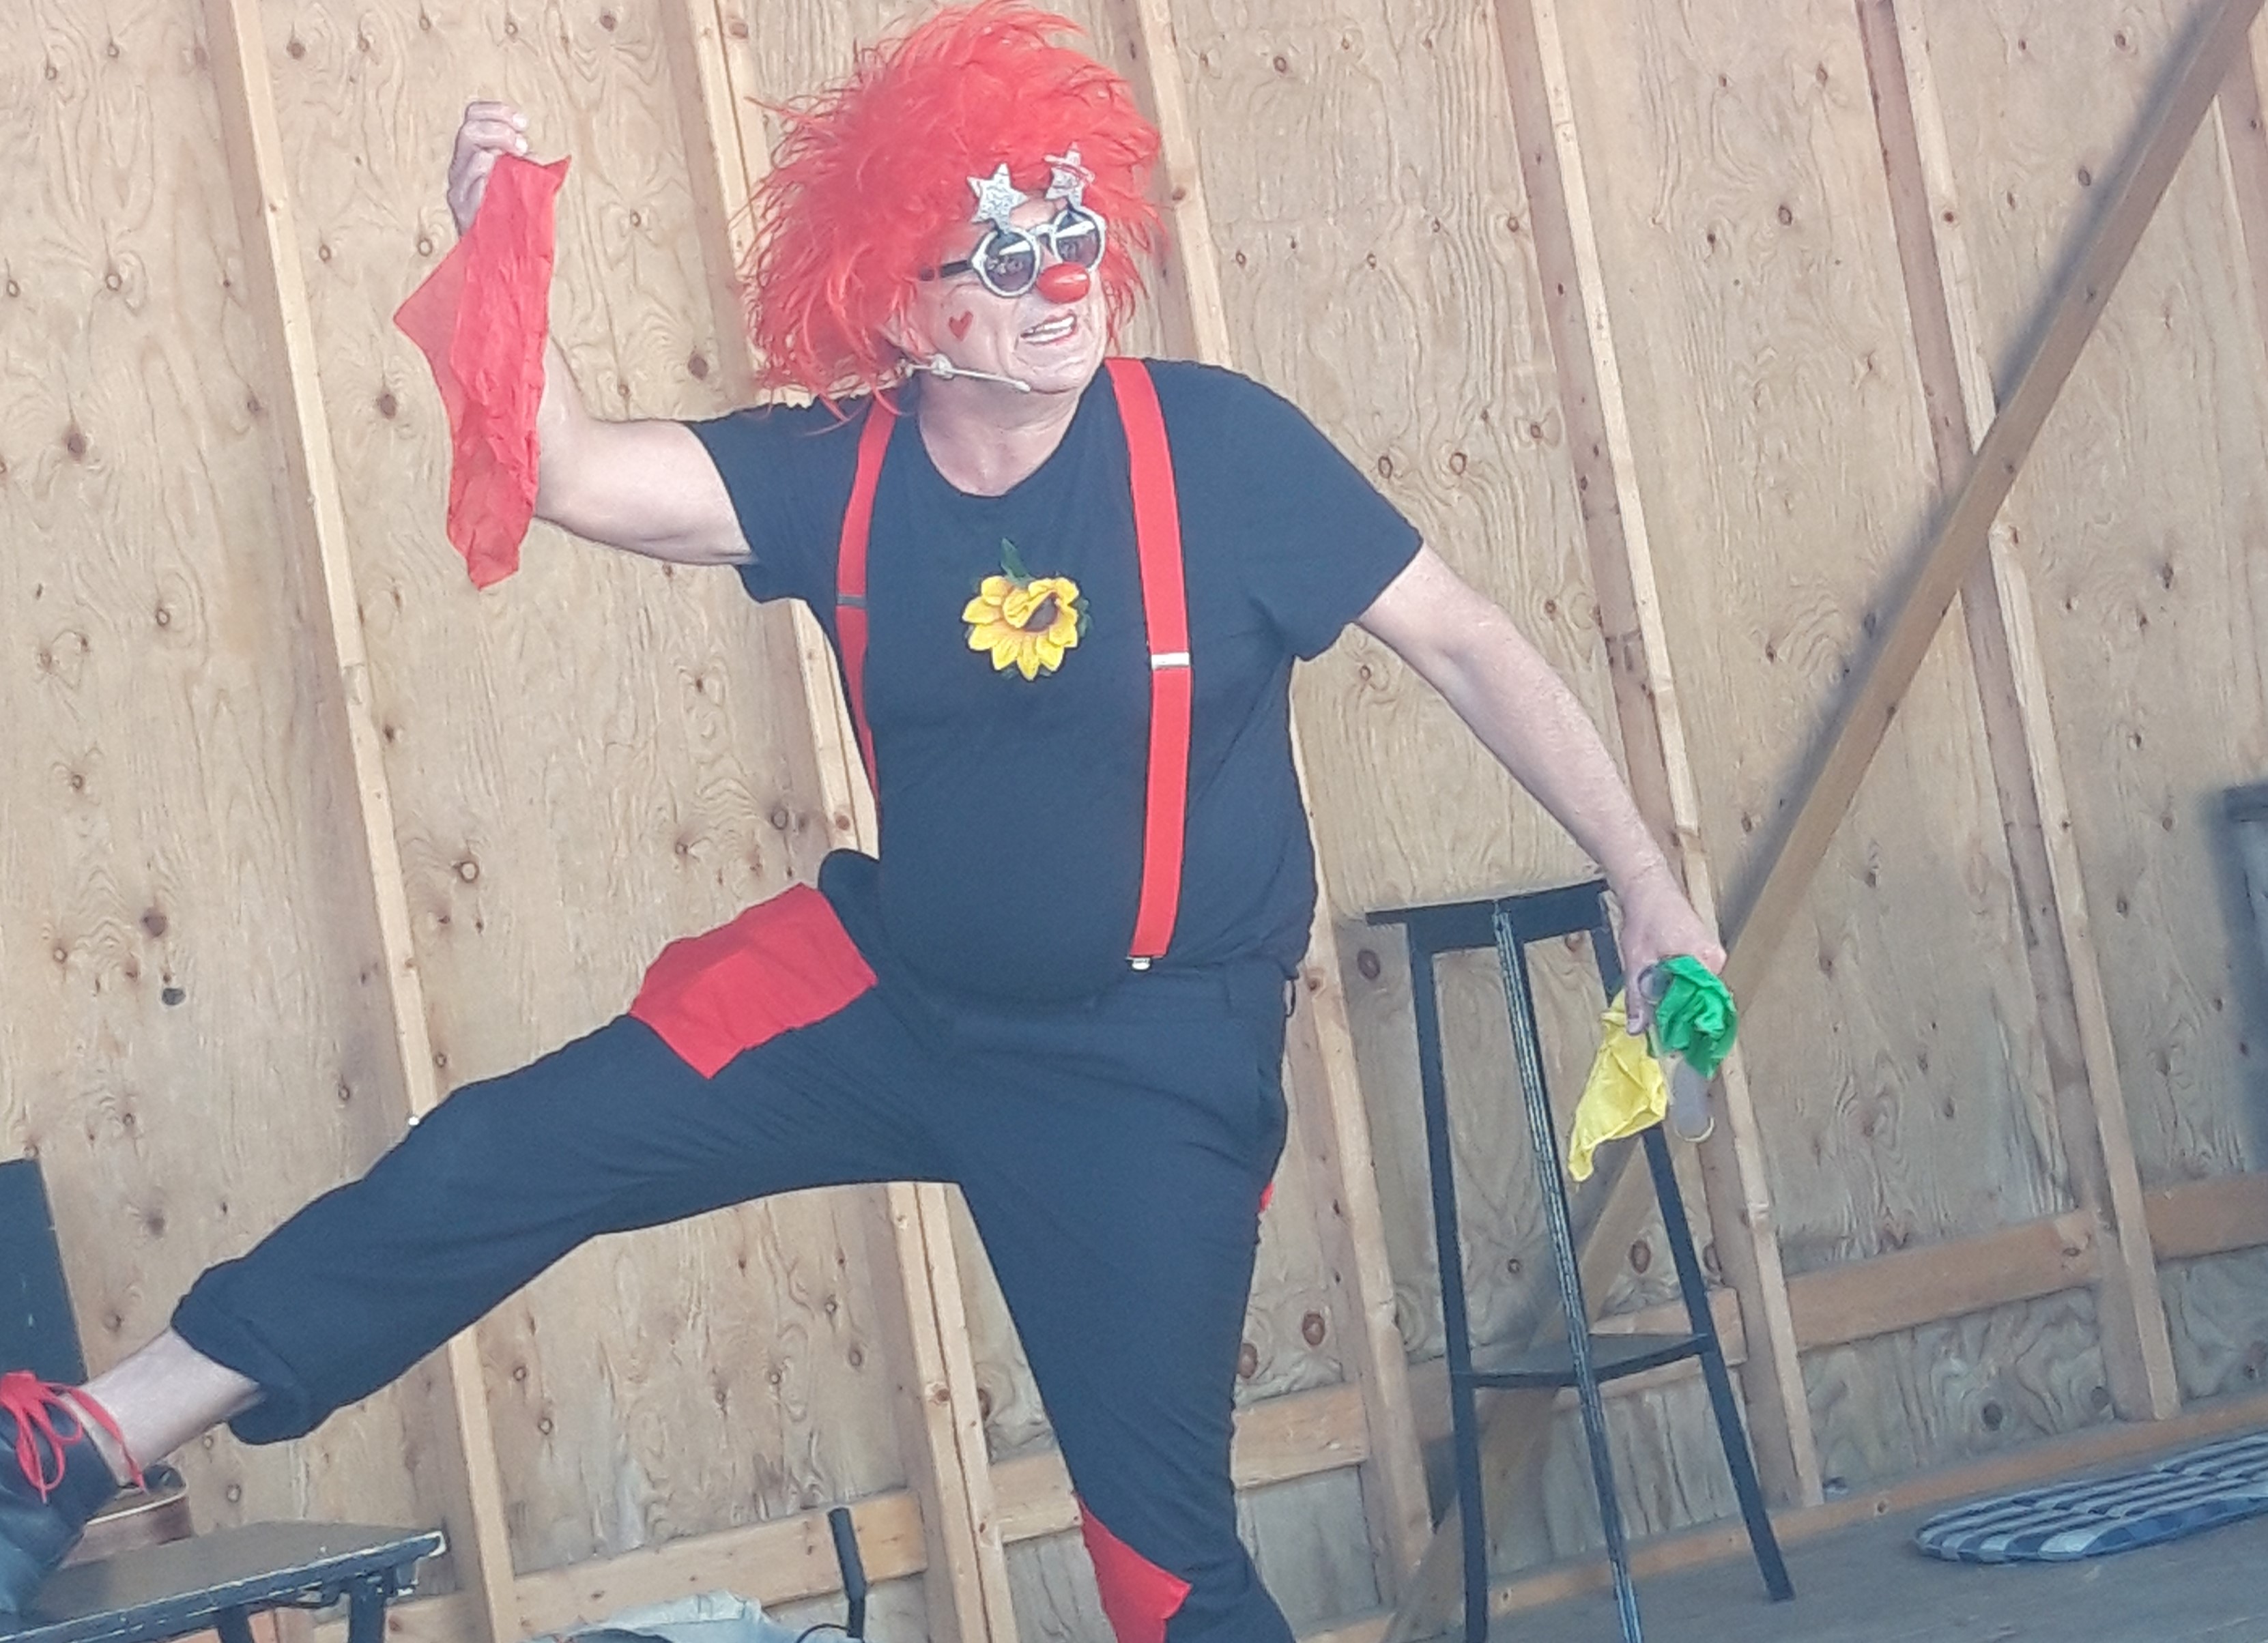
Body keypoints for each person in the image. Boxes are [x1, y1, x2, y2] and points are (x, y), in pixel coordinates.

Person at [0, 5, 1725, 1638]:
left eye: (1074, 229)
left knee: (1160, 1568)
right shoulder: (841, 464)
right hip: (894, 993)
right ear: (901, 309)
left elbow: (1466, 641)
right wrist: (498, 253)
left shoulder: (1221, 449)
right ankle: (86, 1438)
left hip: (1149, 1059)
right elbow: (577, 472)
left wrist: (1645, 883)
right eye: (1005, 257)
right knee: (505, 1151)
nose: (1064, 280)